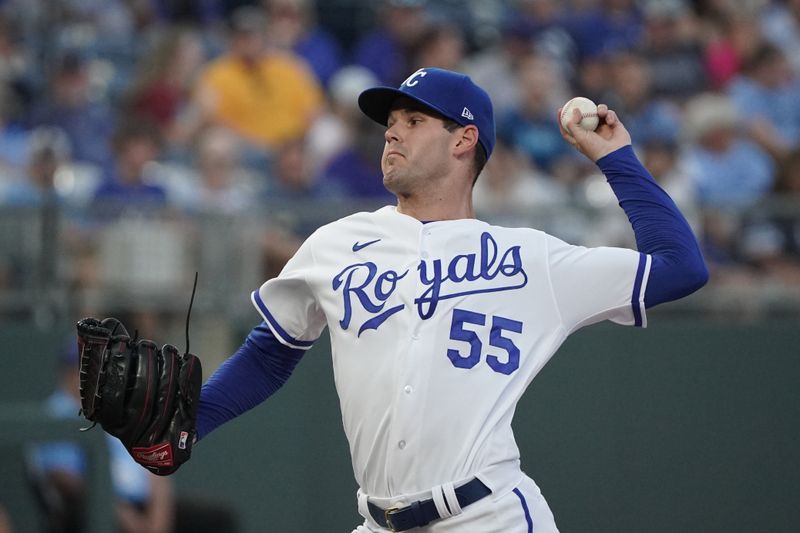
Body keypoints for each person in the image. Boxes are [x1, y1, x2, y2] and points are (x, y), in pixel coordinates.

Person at [190, 67, 708, 532]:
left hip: (488, 517)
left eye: (414, 120)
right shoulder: (336, 243)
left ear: (465, 139)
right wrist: (190, 424)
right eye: (391, 121)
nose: (392, 131)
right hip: (378, 522)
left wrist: (615, 158)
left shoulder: (529, 260)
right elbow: (270, 352)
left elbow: (680, 267)